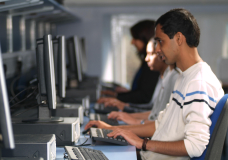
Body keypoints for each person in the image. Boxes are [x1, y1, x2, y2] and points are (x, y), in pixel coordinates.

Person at [85, 8, 224, 160]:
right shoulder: (184, 77)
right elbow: (160, 124)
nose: (157, 49)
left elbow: (195, 146)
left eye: (160, 42)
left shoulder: (198, 83)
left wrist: (142, 143)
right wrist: (113, 129)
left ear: (178, 39)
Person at [97, 40, 179, 125]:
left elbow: (157, 116)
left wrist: (131, 115)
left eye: (151, 54)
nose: (146, 59)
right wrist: (125, 108)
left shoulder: (173, 78)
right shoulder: (163, 76)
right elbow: (153, 111)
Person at [102, 20, 160, 104]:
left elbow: (144, 96)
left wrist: (117, 98)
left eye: (135, 38)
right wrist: (127, 93)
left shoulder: (153, 65)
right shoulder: (147, 62)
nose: (132, 42)